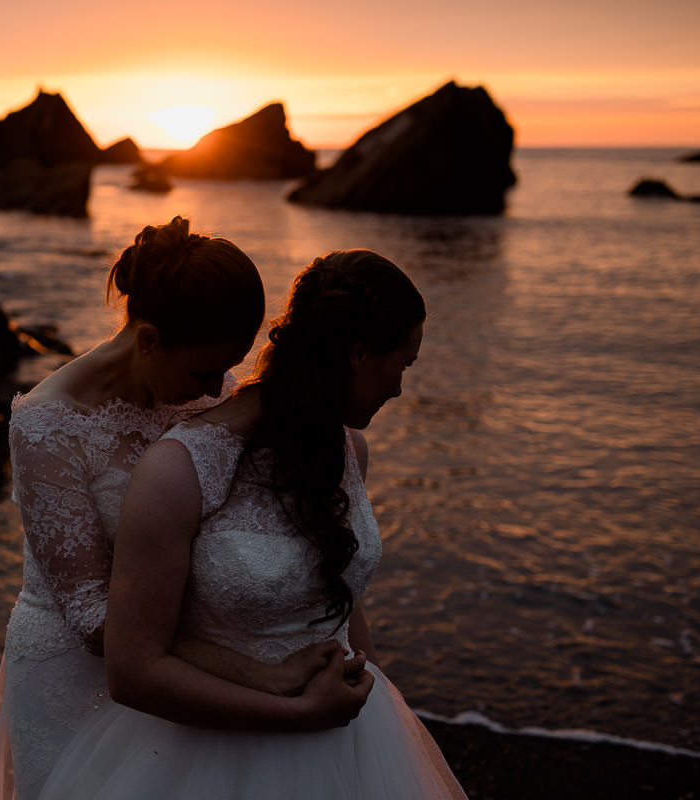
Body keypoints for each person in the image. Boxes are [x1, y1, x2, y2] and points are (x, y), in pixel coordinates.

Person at [35, 250, 467, 799]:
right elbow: (133, 670)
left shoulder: (350, 452)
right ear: (359, 354)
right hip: (206, 757)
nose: (401, 388)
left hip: (347, 738)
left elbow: (340, 593)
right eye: (403, 365)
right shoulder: (179, 470)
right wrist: (300, 713)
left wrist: (379, 705)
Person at [0, 220, 373, 800]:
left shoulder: (203, 387)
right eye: (204, 372)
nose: (219, 391)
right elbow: (92, 616)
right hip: (81, 673)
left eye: (230, 369)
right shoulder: (47, 423)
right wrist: (266, 675)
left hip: (181, 661)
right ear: (149, 340)